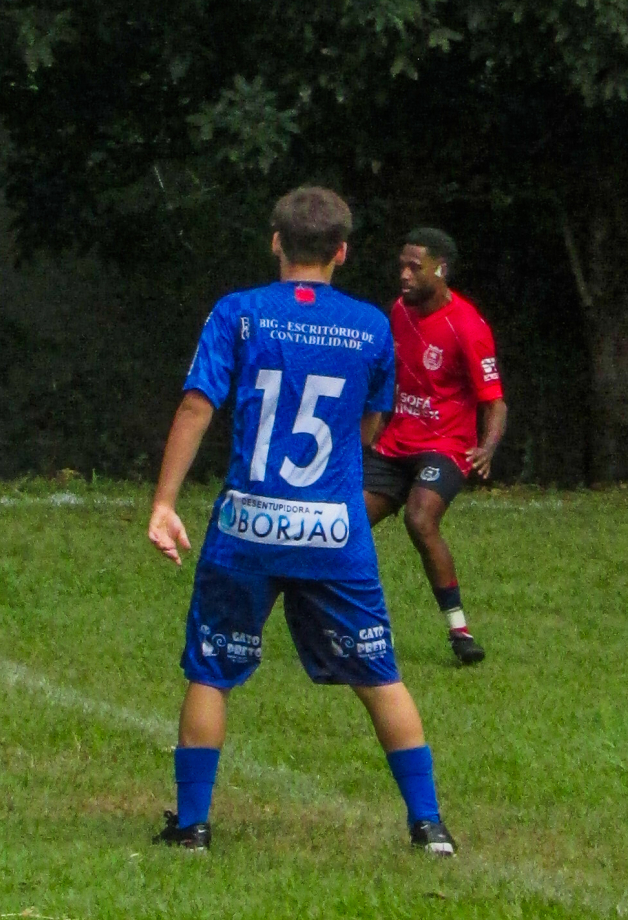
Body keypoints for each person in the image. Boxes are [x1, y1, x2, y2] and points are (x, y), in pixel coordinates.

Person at [147, 188, 455, 855]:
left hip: (248, 527)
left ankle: (193, 826)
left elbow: (197, 406)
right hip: (333, 531)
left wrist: (164, 503)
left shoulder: (238, 312)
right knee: (379, 674)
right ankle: (429, 825)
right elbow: (371, 424)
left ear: (275, 242)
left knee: (211, 669)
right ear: (342, 252)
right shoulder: (371, 325)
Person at [364, 229, 507, 665]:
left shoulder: (467, 326)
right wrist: (373, 430)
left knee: (420, 518)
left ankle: (459, 632)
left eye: (415, 267)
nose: (404, 275)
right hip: (396, 443)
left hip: (446, 445)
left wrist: (487, 448)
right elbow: (389, 379)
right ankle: (352, 624)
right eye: (402, 266)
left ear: (440, 270)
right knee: (344, 524)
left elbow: (495, 402)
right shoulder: (398, 312)